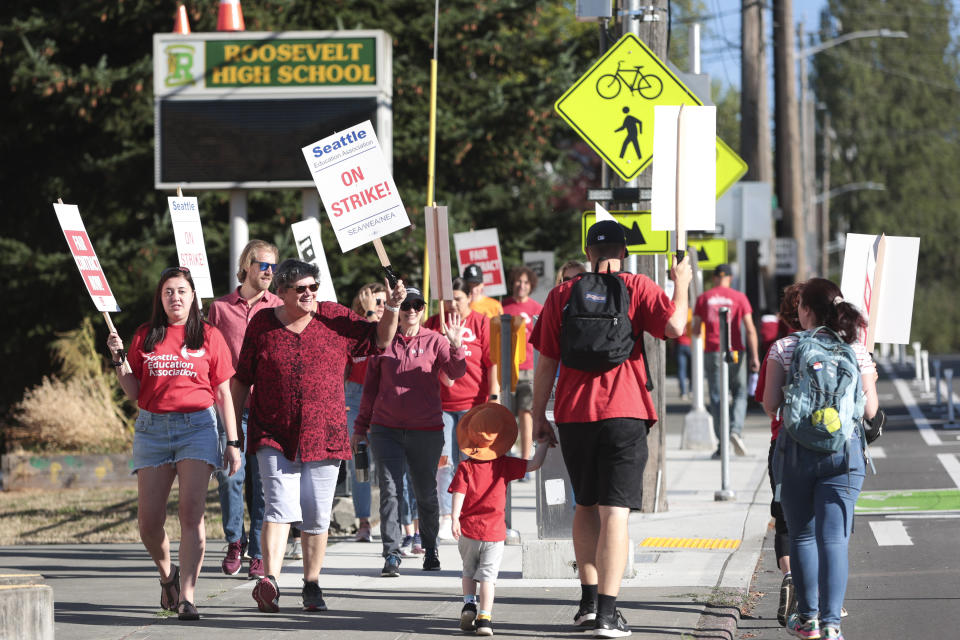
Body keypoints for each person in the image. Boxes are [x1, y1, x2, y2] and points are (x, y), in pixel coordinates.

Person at [531, 220, 691, 637]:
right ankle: (607, 613)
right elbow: (676, 328)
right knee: (615, 513)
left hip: (573, 413)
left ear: (587, 253)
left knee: (584, 506)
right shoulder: (637, 287)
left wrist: (538, 415)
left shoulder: (561, 294)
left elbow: (546, 360)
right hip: (625, 411)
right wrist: (682, 283)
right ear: (624, 253)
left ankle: (586, 603)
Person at [231, 259, 406, 614]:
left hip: (324, 432)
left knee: (315, 514)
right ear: (280, 292)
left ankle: (311, 584)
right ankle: (271, 581)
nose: (310, 293)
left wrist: (392, 307)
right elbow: (241, 379)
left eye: (314, 287)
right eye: (301, 289)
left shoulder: (334, 317)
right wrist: (234, 434)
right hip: (272, 431)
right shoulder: (262, 324)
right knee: (278, 505)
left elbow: (380, 340)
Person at [106, 266, 241, 621]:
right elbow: (135, 391)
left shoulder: (209, 336)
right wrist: (120, 360)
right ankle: (168, 576)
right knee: (149, 522)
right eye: (168, 292)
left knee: (191, 513)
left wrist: (233, 441)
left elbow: (224, 394)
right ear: (160, 298)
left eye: (181, 291)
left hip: (197, 426)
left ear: (193, 296)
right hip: (152, 429)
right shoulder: (145, 335)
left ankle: (188, 596)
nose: (175, 298)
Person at [761, 278, 878, 640]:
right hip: (844, 452)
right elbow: (871, 410)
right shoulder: (856, 350)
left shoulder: (784, 346)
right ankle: (831, 624)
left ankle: (807, 619)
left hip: (796, 452)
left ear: (807, 310)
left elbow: (770, 406)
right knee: (834, 539)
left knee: (803, 536)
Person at [352, 286, 468, 577]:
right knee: (390, 491)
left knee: (425, 493)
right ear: (398, 309)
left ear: (422, 309)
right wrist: (360, 427)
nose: (412, 310)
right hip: (386, 429)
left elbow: (456, 373)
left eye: (417, 305)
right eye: (406, 305)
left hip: (426, 429)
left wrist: (455, 346)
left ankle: (430, 548)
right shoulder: (383, 341)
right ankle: (391, 554)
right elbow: (370, 390)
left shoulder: (435, 340)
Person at [207, 239, 282, 580]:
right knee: (229, 477)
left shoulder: (279, 305)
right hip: (230, 408)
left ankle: (257, 551)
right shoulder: (220, 308)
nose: (269, 272)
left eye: (273, 267)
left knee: (264, 484)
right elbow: (209, 355)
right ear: (247, 265)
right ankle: (234, 541)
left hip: (269, 409)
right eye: (263, 265)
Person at [450, 403, 550, 636]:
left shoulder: (465, 467)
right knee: (488, 577)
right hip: (494, 533)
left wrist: (454, 517)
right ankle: (485, 618)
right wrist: (543, 444)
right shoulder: (505, 464)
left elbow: (459, 494)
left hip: (468, 531)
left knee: (468, 571)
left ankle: (468, 603)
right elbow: (534, 464)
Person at [424, 278, 498, 540]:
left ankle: (469, 511)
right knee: (444, 460)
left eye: (458, 298)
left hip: (473, 403)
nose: (453, 303)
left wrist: (494, 396)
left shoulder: (480, 322)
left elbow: (492, 362)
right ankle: (446, 515)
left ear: (469, 298)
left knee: (470, 460)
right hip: (441, 403)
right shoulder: (435, 322)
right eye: (448, 298)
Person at [753, 282, 804, 626]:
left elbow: (766, 402)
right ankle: (819, 594)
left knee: (784, 515)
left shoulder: (779, 348)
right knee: (822, 520)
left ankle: (789, 576)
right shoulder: (838, 346)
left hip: (784, 442)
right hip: (828, 445)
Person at [691, 263, 760, 458]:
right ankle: (735, 431)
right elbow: (750, 329)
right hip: (736, 351)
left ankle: (722, 444)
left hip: (714, 351)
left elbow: (695, 330)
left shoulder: (704, 298)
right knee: (739, 392)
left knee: (717, 397)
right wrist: (755, 357)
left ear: (714, 278)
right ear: (730, 278)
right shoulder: (739, 298)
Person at [345, 281, 388, 543]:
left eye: (383, 302)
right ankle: (363, 522)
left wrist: (374, 314)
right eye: (375, 302)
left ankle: (392, 521)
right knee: (359, 464)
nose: (380, 307)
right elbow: (344, 369)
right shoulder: (355, 331)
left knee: (387, 466)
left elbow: (383, 347)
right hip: (355, 395)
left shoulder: (391, 328)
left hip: (383, 399)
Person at [501, 265, 543, 461]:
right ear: (512, 283)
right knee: (506, 415)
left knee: (526, 413)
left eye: (526, 282)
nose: (522, 285)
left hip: (528, 369)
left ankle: (525, 458)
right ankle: (505, 455)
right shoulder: (502, 307)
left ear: (531, 285)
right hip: (506, 370)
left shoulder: (537, 309)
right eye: (519, 281)